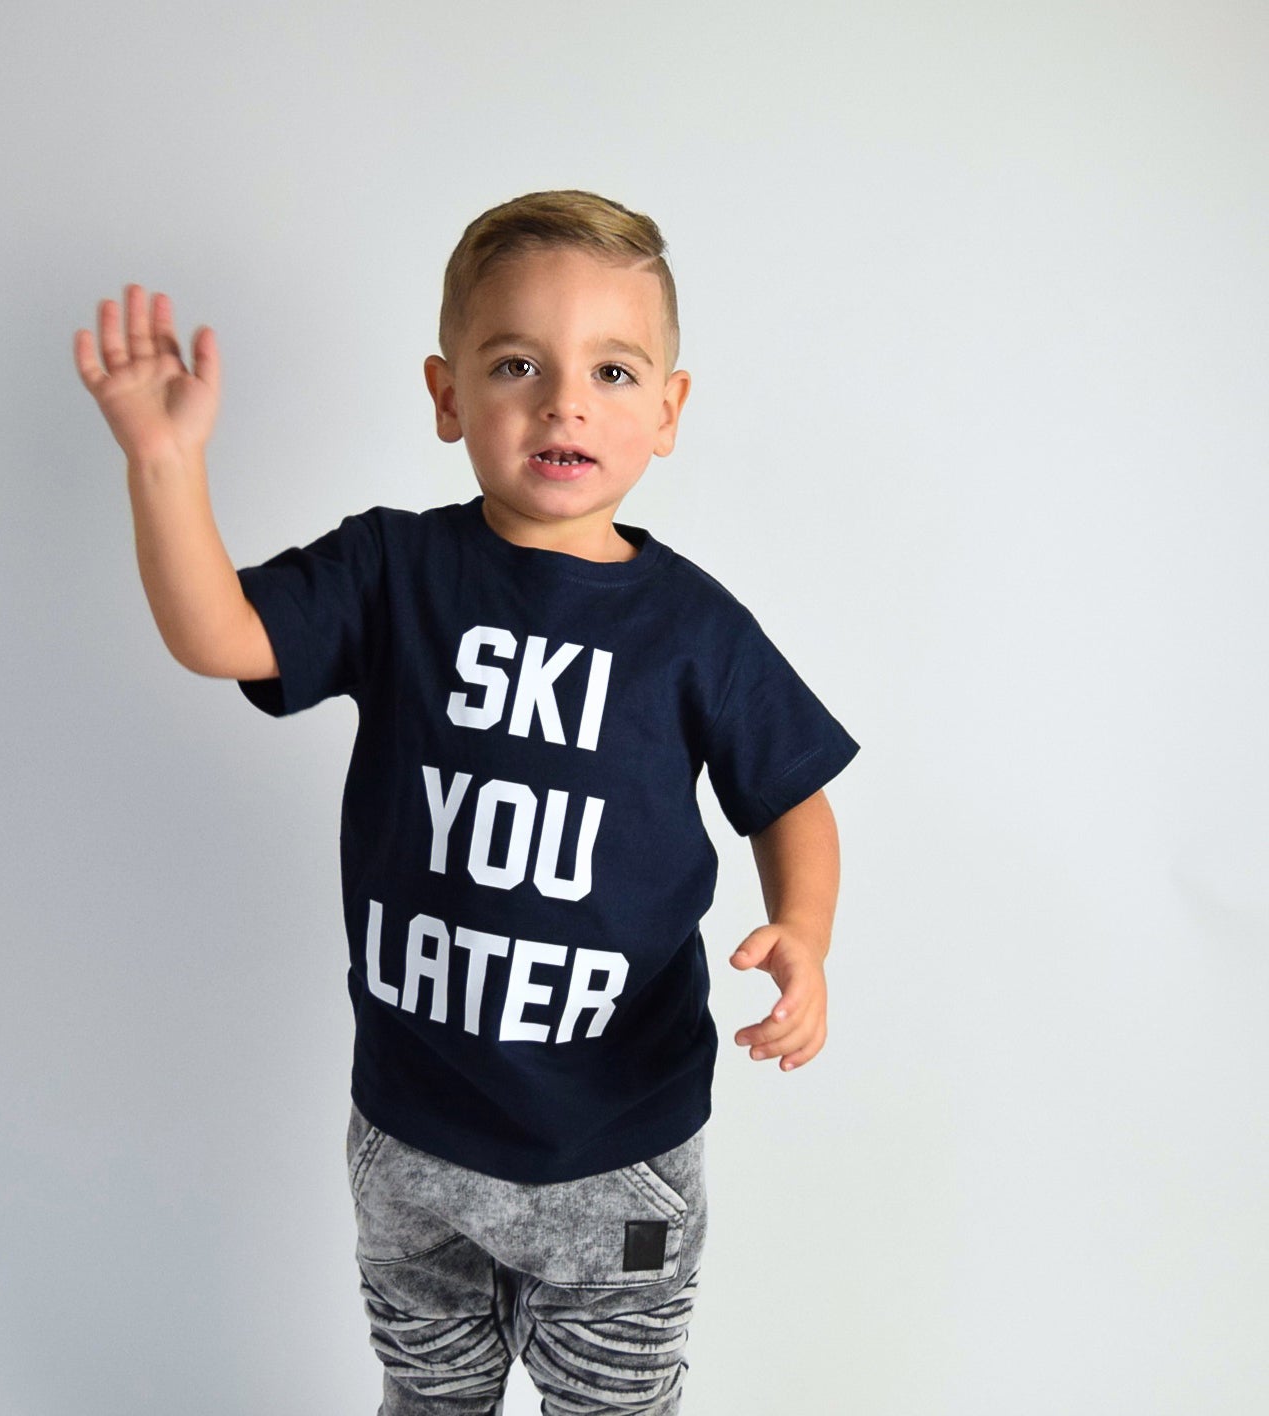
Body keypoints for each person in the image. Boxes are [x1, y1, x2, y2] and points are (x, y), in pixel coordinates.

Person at [74, 188, 860, 1416]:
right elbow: (217, 634)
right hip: (413, 1138)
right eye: (516, 365)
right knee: (428, 1399)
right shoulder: (395, 571)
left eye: (611, 371)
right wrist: (163, 465)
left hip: (616, 1144)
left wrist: (803, 932)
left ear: (668, 410)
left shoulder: (694, 629)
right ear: (447, 397)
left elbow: (791, 793)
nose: (563, 402)